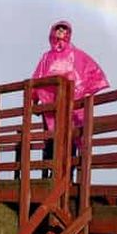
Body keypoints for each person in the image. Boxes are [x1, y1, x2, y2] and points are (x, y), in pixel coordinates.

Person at [31, 20, 109, 168]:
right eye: (58, 28)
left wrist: (86, 92)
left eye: (64, 29)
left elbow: (91, 71)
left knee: (70, 136)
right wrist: (34, 100)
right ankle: (50, 171)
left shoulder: (75, 54)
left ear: (68, 33)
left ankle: (68, 172)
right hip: (50, 106)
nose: (61, 31)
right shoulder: (46, 57)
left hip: (70, 104)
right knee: (50, 138)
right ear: (53, 32)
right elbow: (37, 78)